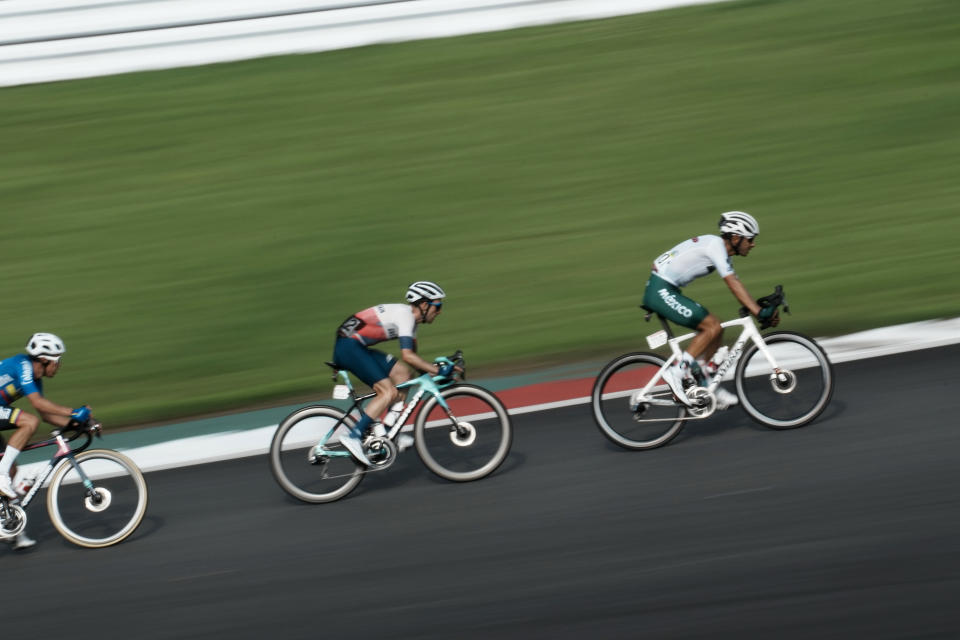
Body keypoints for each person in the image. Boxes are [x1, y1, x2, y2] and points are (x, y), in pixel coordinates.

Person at [641, 211, 779, 408]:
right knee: (711, 326)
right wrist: (758, 312)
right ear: (736, 237)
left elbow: (736, 285)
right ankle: (676, 372)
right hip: (660, 289)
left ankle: (707, 383)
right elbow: (732, 283)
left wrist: (755, 308)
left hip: (665, 288)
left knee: (717, 328)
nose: (753, 244)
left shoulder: (720, 252)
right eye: (750, 239)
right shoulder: (715, 246)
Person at [331, 281, 455, 466]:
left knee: (404, 375)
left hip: (354, 345)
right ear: (424, 305)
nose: (439, 311)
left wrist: (438, 374)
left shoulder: (411, 323)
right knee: (387, 391)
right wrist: (438, 370)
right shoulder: (406, 317)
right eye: (437, 306)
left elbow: (413, 362)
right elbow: (408, 355)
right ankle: (354, 436)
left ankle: (388, 432)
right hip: (349, 347)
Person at [0, 333, 92, 550]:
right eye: (57, 360)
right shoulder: (23, 366)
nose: (58, 366)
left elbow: (48, 416)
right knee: (28, 422)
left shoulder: (35, 377)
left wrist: (79, 423)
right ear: (43, 358)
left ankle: (12, 529)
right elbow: (38, 405)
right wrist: (74, 411)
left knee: (11, 469)